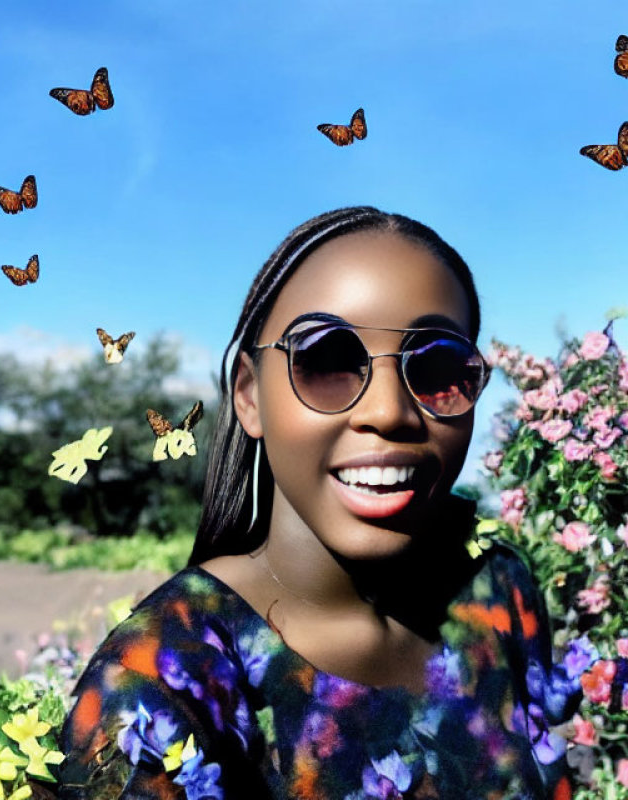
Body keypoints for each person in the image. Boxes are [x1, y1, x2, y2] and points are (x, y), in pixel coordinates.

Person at [56, 207, 581, 799]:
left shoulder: (500, 589)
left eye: (437, 367)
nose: (388, 412)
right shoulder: (157, 683)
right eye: (326, 359)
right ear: (251, 398)